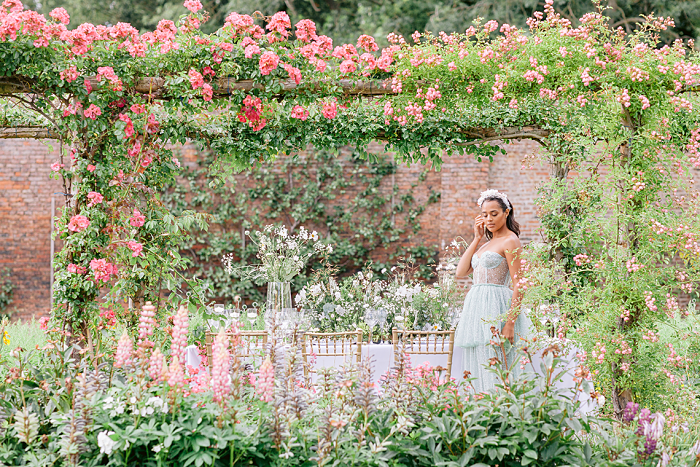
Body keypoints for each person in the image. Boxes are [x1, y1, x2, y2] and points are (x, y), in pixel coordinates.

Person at [454, 189, 530, 392]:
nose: (489, 218)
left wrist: (510, 323)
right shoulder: (485, 244)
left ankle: (500, 408)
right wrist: (476, 238)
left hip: (497, 307)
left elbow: (519, 283)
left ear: (506, 212)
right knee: (480, 359)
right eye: (484, 214)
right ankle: (481, 407)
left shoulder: (510, 240)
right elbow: (461, 272)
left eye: (494, 213)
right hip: (477, 308)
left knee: (497, 361)